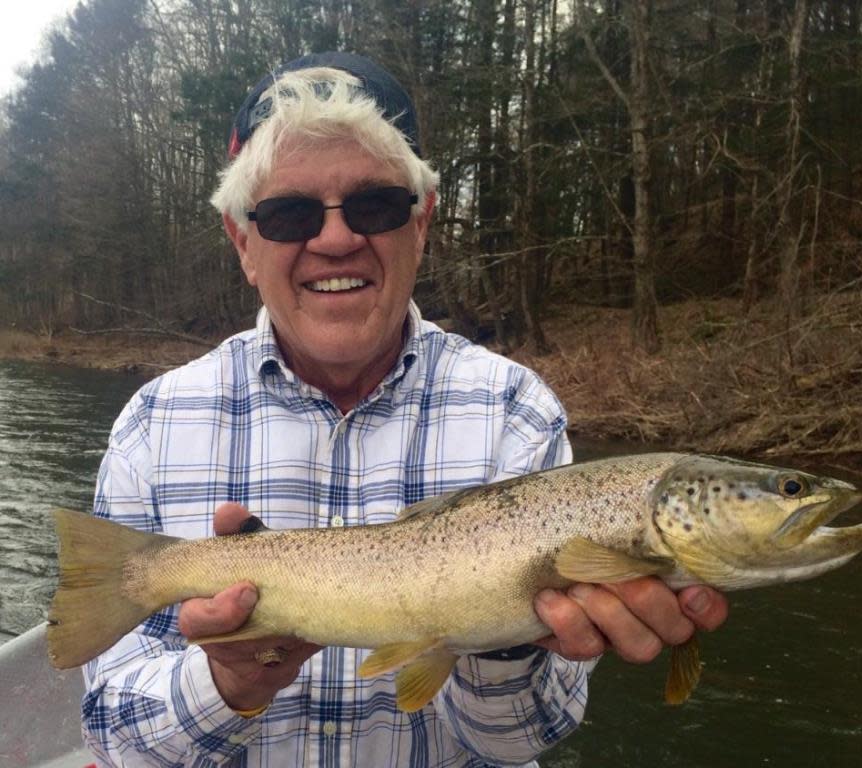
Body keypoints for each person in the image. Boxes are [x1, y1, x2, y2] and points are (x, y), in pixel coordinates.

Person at [81, 51, 728, 766]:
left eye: (375, 205)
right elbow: (109, 737)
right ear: (243, 242)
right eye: (290, 213)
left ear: (420, 224)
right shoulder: (154, 420)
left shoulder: (516, 410)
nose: (335, 239)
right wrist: (224, 681)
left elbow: (513, 744)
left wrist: (503, 632)